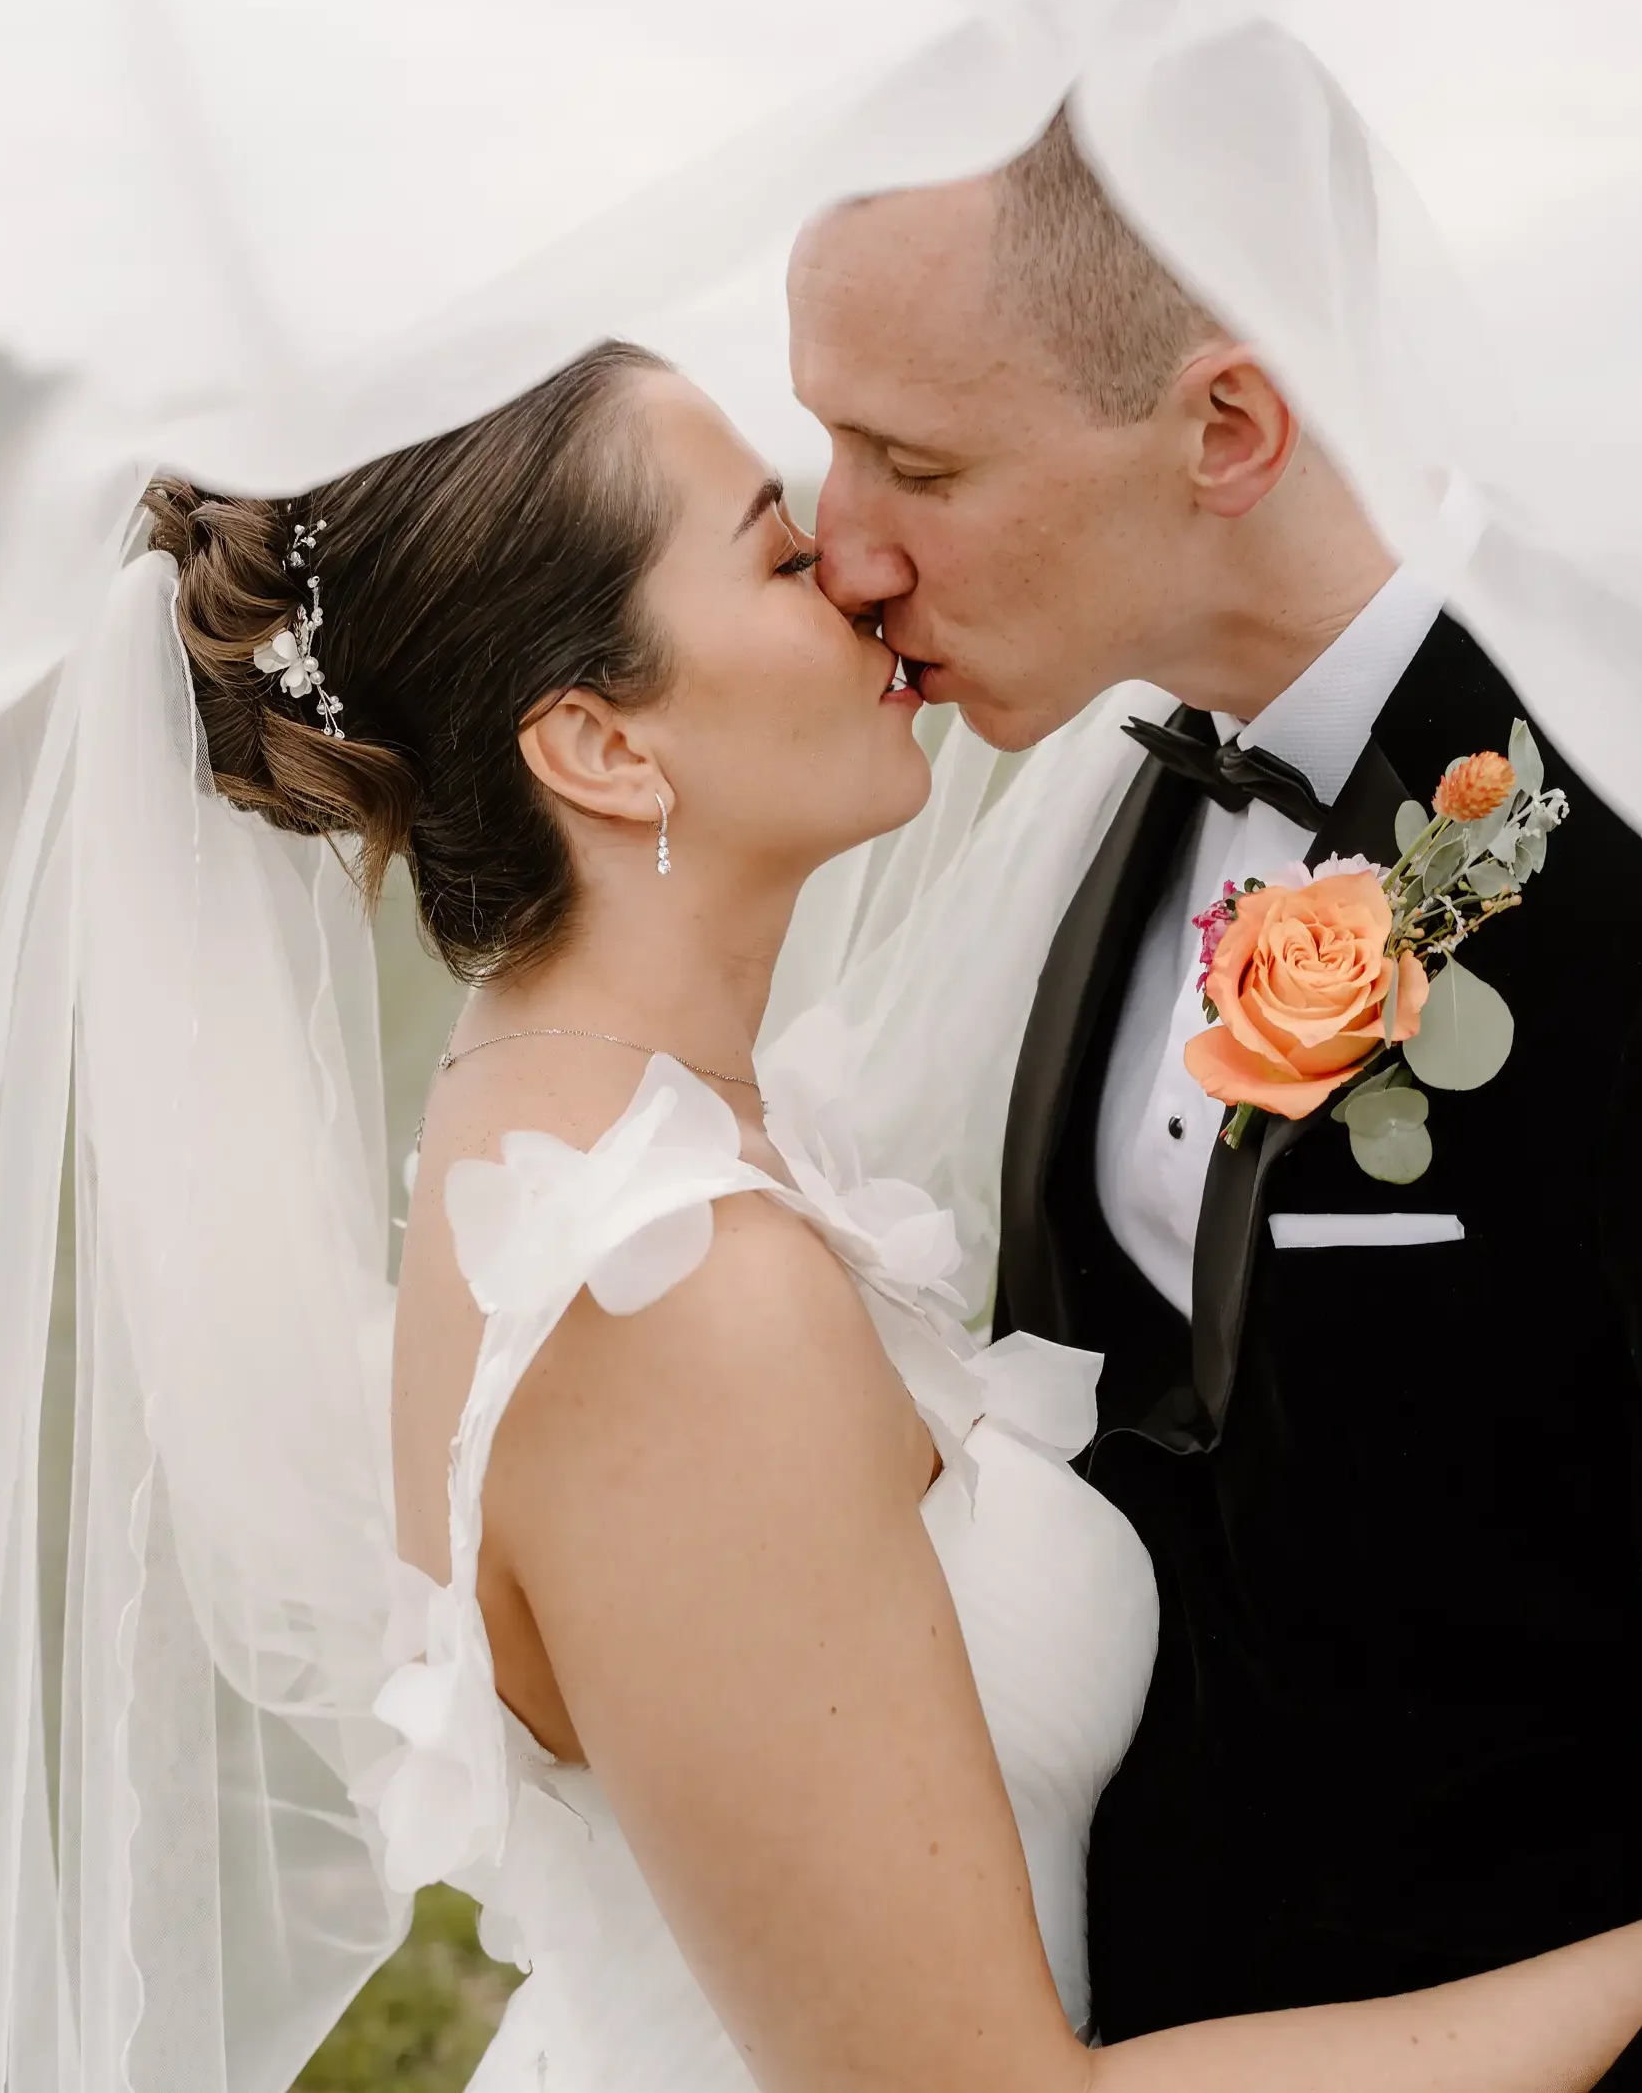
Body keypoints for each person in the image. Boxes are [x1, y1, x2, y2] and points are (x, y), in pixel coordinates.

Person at [145, 333, 1642, 2091]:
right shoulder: (675, 1300)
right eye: (780, 554)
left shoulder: (605, 1148)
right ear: (599, 745)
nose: (859, 575)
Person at [789, 105, 1642, 2082]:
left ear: (1226, 429)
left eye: (914, 461)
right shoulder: (1124, 766)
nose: (838, 546)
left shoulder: (1607, 831)